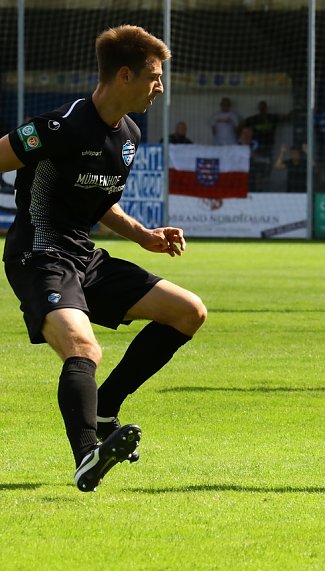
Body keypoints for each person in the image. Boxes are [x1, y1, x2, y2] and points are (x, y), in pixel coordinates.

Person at [0, 25, 207, 492]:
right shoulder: (60, 126)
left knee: (188, 312)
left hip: (83, 255)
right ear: (124, 74)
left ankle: (105, 408)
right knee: (83, 348)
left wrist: (143, 235)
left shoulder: (129, 135)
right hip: (40, 252)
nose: (160, 86)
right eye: (154, 76)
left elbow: (101, 200)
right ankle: (87, 452)